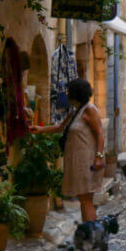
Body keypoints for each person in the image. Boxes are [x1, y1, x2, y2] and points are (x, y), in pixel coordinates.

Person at [31, 78, 104, 222]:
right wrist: (40, 130)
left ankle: (92, 235)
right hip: (78, 162)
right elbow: (60, 127)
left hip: (88, 161)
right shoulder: (76, 112)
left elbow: (100, 134)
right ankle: (87, 235)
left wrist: (99, 157)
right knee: (83, 198)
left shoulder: (90, 110)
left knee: (86, 199)